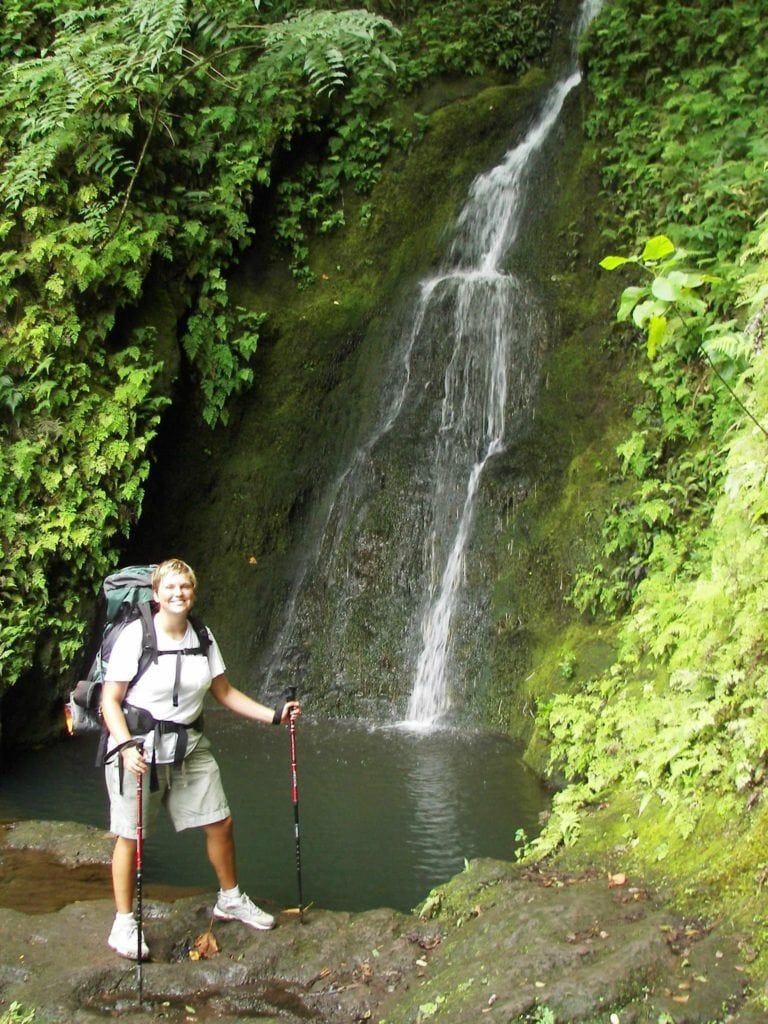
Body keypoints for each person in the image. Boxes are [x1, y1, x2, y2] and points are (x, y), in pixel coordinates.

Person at [100, 558, 299, 960]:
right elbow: (110, 700)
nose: (178, 594)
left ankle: (230, 899)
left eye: (185, 588)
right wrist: (123, 747)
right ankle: (123, 924)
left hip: (189, 745)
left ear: (193, 593)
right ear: (156, 594)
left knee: (220, 821)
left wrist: (274, 715)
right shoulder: (135, 637)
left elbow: (223, 692)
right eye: (170, 588)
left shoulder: (202, 635)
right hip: (138, 750)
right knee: (130, 836)